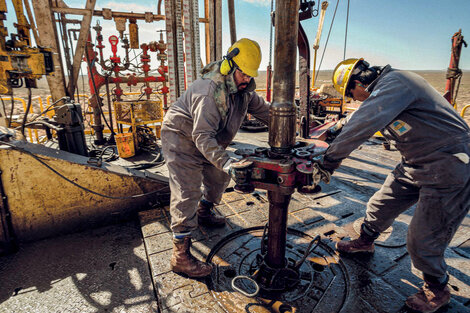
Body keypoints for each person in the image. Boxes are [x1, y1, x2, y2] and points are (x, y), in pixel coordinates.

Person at [321, 58, 470, 313]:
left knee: (423, 238)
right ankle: (365, 241)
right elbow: (359, 116)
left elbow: (365, 121)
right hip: (415, 162)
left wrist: (328, 161)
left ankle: (437, 287)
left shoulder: (397, 82)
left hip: (449, 164)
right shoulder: (386, 88)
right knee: (380, 204)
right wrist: (335, 128)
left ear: (359, 83)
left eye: (351, 95)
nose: (355, 100)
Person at [161, 38, 270, 278]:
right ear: (228, 66)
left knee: (219, 176)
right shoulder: (209, 92)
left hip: (207, 138)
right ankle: (180, 256)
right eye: (243, 73)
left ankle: (205, 211)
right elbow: (202, 137)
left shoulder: (244, 92)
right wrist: (229, 162)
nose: (247, 79)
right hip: (181, 137)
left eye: (251, 75)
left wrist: (290, 126)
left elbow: (267, 112)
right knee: (187, 190)